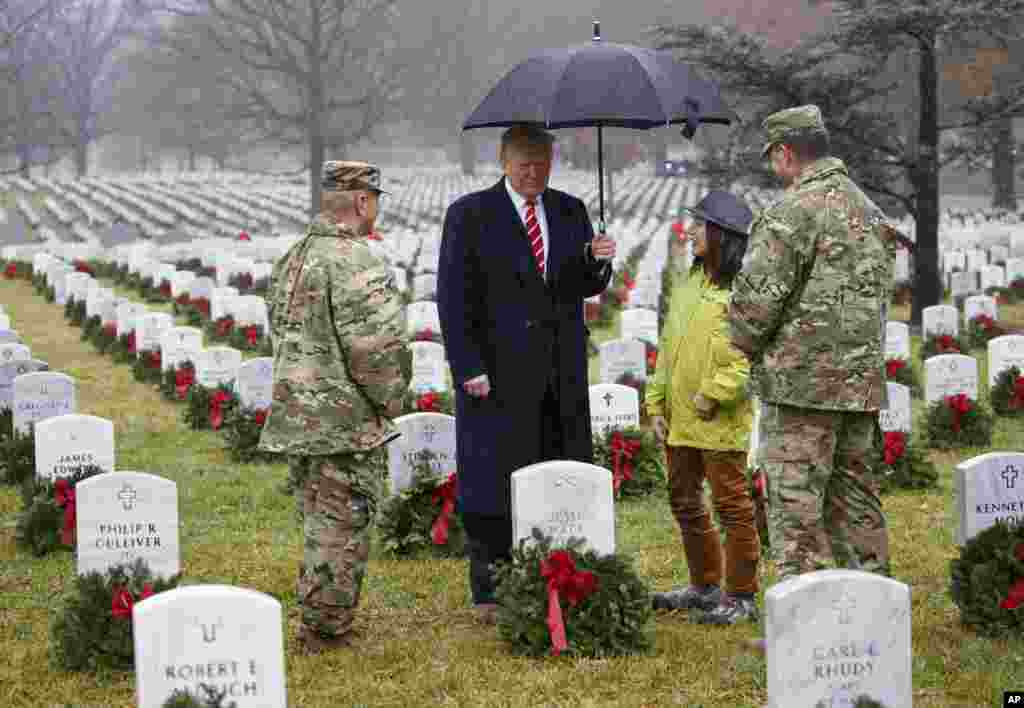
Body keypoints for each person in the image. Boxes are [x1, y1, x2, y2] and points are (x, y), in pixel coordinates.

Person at [437, 125, 616, 625]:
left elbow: (577, 285)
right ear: (503, 159)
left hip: (559, 372)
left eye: (542, 162)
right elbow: (453, 297)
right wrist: (468, 366)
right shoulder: (470, 215)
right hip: (495, 372)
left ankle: (563, 576)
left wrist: (596, 263)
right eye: (524, 162)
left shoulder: (569, 210)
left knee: (558, 470)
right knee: (493, 480)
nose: (534, 171)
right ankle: (490, 588)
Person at [728, 105, 894, 593]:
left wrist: (743, 339)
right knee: (855, 501)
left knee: (796, 507)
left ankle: (812, 619)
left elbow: (755, 307)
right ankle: (873, 603)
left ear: (784, 153)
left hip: (800, 388)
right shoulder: (868, 208)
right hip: (859, 386)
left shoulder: (791, 211)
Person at [258, 160, 409, 653]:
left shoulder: (293, 256)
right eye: (374, 199)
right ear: (363, 201)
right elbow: (376, 347)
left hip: (298, 415)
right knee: (343, 523)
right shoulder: (354, 260)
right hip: (345, 420)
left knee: (319, 518)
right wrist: (389, 401)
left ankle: (319, 617)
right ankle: (325, 628)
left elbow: (278, 329)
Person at [646, 190, 761, 625]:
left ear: (722, 236)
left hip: (718, 419)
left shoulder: (744, 291)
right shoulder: (689, 282)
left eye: (700, 224)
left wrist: (714, 393)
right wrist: (655, 402)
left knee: (732, 506)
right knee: (684, 500)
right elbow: (669, 347)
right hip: (679, 419)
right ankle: (705, 584)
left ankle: (742, 595)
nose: (691, 230)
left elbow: (749, 355)